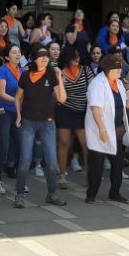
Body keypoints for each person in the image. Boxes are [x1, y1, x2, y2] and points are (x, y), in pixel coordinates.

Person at [13, 48, 68, 208]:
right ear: (34, 59)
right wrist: (18, 115)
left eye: (46, 56)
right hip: (28, 122)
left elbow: (62, 99)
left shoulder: (51, 75)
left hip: (48, 123)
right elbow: (18, 98)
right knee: (25, 160)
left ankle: (52, 193)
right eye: (40, 56)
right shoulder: (25, 76)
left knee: (51, 161)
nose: (44, 59)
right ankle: (20, 194)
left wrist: (59, 78)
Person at [85, 53, 129, 203]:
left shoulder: (118, 83)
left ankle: (115, 192)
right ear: (109, 69)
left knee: (118, 163)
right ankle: (91, 194)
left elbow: (126, 105)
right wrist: (102, 129)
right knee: (97, 165)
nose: (120, 71)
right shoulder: (98, 84)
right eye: (118, 69)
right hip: (101, 130)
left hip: (117, 130)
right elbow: (96, 108)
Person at [56, 47, 91, 190]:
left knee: (86, 145)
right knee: (64, 143)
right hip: (65, 109)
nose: (77, 59)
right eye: (73, 57)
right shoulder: (61, 73)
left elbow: (94, 87)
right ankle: (62, 176)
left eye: (78, 56)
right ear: (67, 58)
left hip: (83, 111)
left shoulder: (86, 70)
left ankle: (90, 175)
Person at [0, 44, 23, 194]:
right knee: (3, 144)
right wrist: (17, 101)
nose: (17, 54)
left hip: (17, 112)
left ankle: (19, 179)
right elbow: (1, 93)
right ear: (6, 57)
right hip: (2, 111)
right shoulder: (1, 71)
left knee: (20, 143)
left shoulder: (22, 71)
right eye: (14, 52)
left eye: (19, 52)